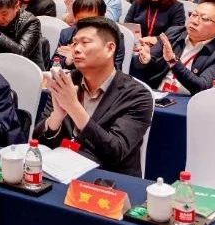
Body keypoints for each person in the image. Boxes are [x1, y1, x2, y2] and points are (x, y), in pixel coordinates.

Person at [35, 18, 153, 176]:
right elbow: (37, 141)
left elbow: (115, 151)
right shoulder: (67, 82)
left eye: (85, 42)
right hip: (61, 171)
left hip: (107, 179)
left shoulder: (137, 95)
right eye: (74, 43)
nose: (76, 49)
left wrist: (74, 108)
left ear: (110, 48)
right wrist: (56, 117)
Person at [131, 0, 215, 94]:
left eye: (204, 19)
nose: (194, 21)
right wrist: (144, 60)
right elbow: (147, 64)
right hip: (159, 94)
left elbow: (202, 87)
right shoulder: (174, 33)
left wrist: (173, 61)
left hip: (190, 102)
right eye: (194, 15)